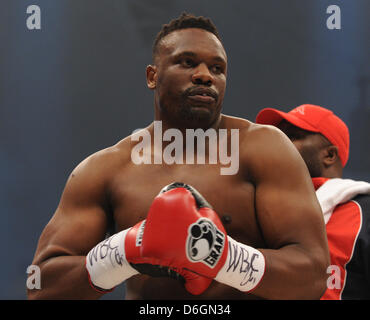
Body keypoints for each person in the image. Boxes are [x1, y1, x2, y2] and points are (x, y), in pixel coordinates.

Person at [27, 13, 330, 300]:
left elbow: (314, 277)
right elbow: (41, 285)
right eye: (187, 63)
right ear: (152, 76)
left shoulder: (264, 149)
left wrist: (223, 256)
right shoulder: (107, 169)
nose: (204, 76)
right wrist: (125, 251)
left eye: (217, 68)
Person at [256, 104, 370, 299]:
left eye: (292, 136)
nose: (278, 142)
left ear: (329, 155)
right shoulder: (260, 208)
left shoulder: (364, 212)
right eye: (277, 135)